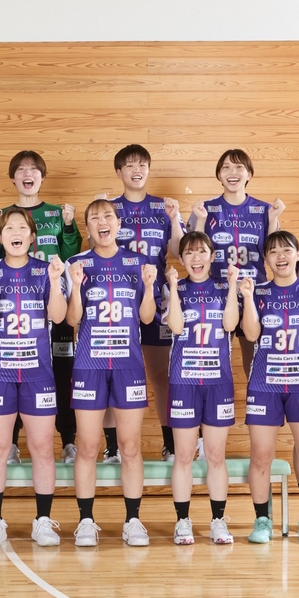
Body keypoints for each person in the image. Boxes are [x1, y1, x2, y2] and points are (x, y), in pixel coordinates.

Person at [0, 208, 68, 548]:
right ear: (0, 237)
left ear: (31, 236)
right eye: (9, 228)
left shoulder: (45, 270)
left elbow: (59, 316)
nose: (16, 232)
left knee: (42, 448)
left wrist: (55, 282)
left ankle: (43, 521)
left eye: (22, 227)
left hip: (38, 374)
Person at [65, 199, 158, 547]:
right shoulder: (77, 264)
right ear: (88, 227)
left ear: (118, 224)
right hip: (89, 365)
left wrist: (149, 287)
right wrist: (76, 286)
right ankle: (86, 521)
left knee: (130, 446)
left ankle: (133, 521)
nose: (102, 222)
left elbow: (147, 318)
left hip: (128, 365)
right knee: (88, 446)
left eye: (108, 216)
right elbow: (72, 319)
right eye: (94, 218)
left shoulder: (137, 263)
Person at [240, 231, 299, 544]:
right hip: (264, 383)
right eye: (273, 251)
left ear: (297, 255)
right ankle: (262, 520)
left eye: (286, 250)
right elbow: (250, 334)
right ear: (266, 259)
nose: (280, 256)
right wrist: (247, 297)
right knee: (260, 457)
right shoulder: (258, 291)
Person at [0, 151, 81, 463]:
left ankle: (68, 440)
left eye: (34, 169)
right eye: (21, 169)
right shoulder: (4, 216)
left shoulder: (56, 212)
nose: (27, 174)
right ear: (12, 177)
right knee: (12, 368)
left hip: (53, 298)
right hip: (15, 303)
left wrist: (69, 226)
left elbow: (71, 252)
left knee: (61, 371)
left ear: (42, 176)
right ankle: (11, 444)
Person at [98, 145, 186, 461]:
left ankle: (169, 444)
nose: (137, 170)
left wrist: (175, 219)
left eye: (142, 164)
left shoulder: (164, 207)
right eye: (129, 165)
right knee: (109, 374)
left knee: (161, 376)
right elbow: (95, 246)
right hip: (116, 304)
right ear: (118, 172)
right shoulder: (109, 207)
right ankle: (112, 446)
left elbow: (178, 251)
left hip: (156, 302)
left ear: (148, 169)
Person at [164, 232, 241, 545]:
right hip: (183, 382)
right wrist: (172, 287)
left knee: (215, 455)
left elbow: (230, 325)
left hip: (218, 382)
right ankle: (182, 521)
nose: (196, 258)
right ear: (182, 259)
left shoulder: (224, 288)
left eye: (201, 252)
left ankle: (218, 521)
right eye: (189, 253)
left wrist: (233, 285)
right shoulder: (177, 288)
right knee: (183, 455)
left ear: (211, 256)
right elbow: (176, 326)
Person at [188, 149, 285, 380]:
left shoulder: (264, 210)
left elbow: (273, 256)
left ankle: (258, 402)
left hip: (254, 291)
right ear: (218, 175)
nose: (233, 172)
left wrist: (273, 220)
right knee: (212, 359)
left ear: (249, 174)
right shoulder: (205, 210)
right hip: (216, 293)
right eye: (226, 167)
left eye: (239, 167)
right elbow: (192, 252)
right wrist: (200, 221)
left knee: (255, 362)